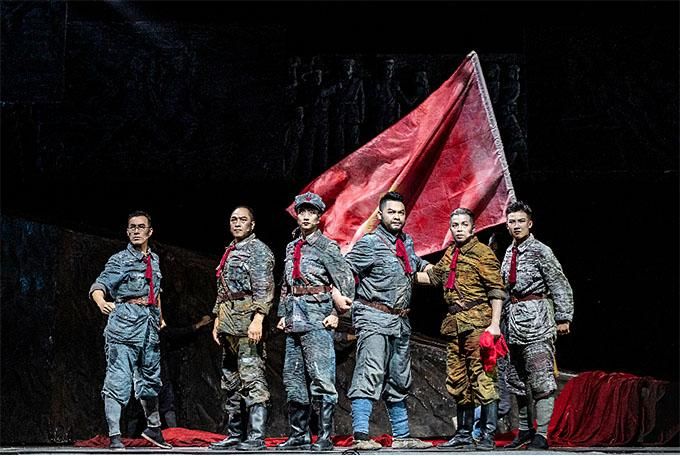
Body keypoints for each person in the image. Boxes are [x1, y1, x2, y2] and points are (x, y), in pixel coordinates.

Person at [342, 191, 433, 450]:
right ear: (380, 215)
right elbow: (346, 269)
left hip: (399, 320)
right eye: (391, 212)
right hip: (374, 316)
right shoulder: (370, 243)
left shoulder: (406, 242)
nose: (397, 216)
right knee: (370, 372)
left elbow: (413, 263)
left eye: (401, 213)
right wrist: (341, 300)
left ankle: (402, 435)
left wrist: (431, 269)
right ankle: (361, 435)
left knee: (399, 377)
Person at [415, 207, 506, 450]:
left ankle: (487, 434)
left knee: (483, 378)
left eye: (464, 225)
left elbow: (497, 291)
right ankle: (464, 433)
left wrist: (494, 325)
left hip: (477, 323)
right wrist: (404, 272)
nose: (459, 229)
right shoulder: (451, 252)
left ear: (472, 228)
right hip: (455, 325)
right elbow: (434, 277)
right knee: (457, 379)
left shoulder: (483, 253)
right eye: (455, 225)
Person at [276, 191, 355, 451]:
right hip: (294, 319)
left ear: (319, 217)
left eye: (311, 212)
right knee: (293, 378)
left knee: (321, 378)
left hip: (317, 318)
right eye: (302, 212)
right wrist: (282, 314)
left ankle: (324, 436)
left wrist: (336, 314)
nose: (306, 216)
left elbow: (346, 282)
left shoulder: (327, 247)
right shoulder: (291, 247)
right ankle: (298, 434)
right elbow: (286, 284)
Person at [89, 210, 171, 449]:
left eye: (140, 227)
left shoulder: (154, 260)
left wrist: (160, 317)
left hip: (149, 327)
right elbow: (100, 283)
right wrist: (100, 300)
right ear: (127, 232)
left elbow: (155, 291)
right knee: (119, 379)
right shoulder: (120, 260)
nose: (136, 231)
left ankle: (154, 429)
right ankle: (115, 436)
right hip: (124, 325)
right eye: (132, 227)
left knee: (150, 379)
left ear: (149, 231)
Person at [501, 201, 574, 450]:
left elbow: (558, 282)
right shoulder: (509, 252)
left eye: (521, 221)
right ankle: (524, 430)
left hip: (538, 323)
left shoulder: (541, 251)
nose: (516, 225)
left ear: (530, 223)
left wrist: (563, 317)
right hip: (513, 324)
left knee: (541, 380)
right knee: (517, 380)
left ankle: (542, 434)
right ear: (507, 225)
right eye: (512, 221)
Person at [208, 206, 275, 451]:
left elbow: (264, 288)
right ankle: (235, 434)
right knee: (231, 381)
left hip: (247, 324)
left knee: (252, 377)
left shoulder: (258, 250)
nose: (237, 223)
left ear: (252, 225)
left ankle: (256, 436)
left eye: (242, 220)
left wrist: (258, 319)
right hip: (229, 324)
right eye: (233, 219)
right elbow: (224, 289)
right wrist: (218, 317)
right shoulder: (231, 250)